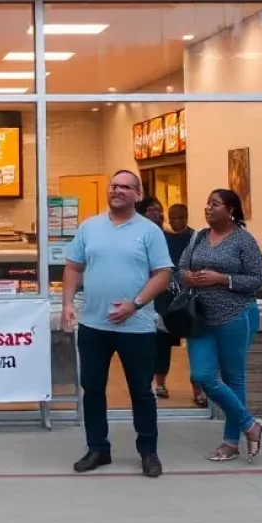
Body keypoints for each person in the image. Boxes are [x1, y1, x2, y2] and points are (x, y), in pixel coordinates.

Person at [62, 170, 174, 478]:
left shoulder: (149, 231)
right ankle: (98, 448)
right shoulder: (90, 227)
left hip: (135, 326)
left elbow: (163, 275)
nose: (117, 191)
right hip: (94, 325)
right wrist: (67, 304)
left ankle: (148, 452)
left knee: (141, 390)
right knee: (93, 389)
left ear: (137, 194)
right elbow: (73, 268)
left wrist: (134, 304)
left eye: (125, 187)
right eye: (114, 186)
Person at [179, 190, 262, 462]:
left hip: (236, 315)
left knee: (233, 377)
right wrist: (189, 278)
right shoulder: (198, 237)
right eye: (207, 203)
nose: (208, 208)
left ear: (230, 209)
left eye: (214, 204)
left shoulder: (243, 240)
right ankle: (250, 425)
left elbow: (257, 280)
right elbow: (180, 268)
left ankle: (231, 442)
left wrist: (222, 279)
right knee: (202, 376)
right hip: (200, 319)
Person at [137, 198, 202, 404]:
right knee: (162, 344)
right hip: (165, 298)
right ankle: (161, 383)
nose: (176, 222)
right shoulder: (161, 237)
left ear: (187, 217)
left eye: (180, 218)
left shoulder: (196, 238)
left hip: (191, 298)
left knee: (196, 346)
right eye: (173, 218)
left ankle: (198, 390)